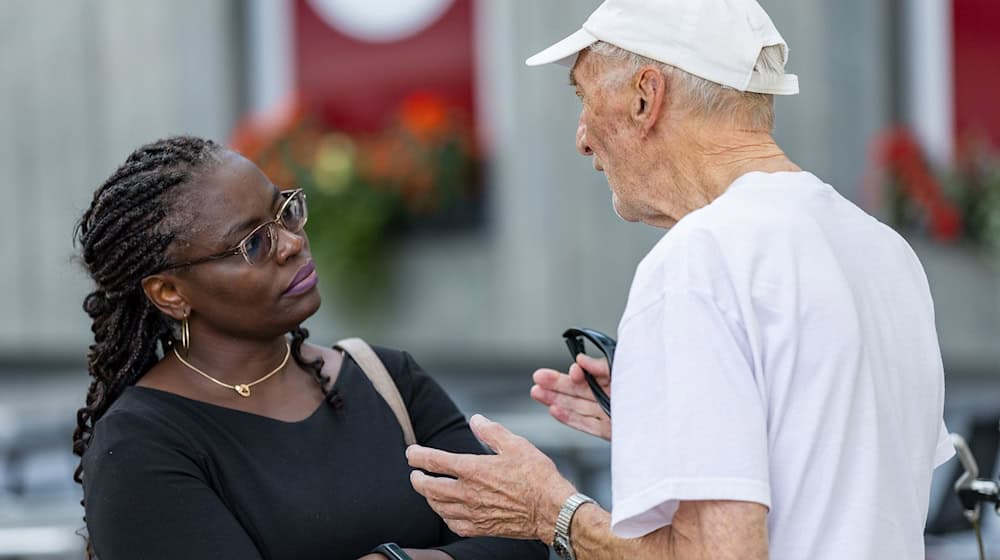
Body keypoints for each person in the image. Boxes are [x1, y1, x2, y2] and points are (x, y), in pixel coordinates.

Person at [406, 0, 954, 558]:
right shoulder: (883, 248)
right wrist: (672, 424)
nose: (582, 139)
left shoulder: (699, 258)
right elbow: (840, 475)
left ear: (646, 96)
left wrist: (550, 511)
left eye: (583, 97)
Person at [72, 135, 549, 560]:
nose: (292, 243)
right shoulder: (139, 447)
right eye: (254, 244)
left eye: (286, 211)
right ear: (170, 294)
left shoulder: (387, 379)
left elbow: (521, 535)